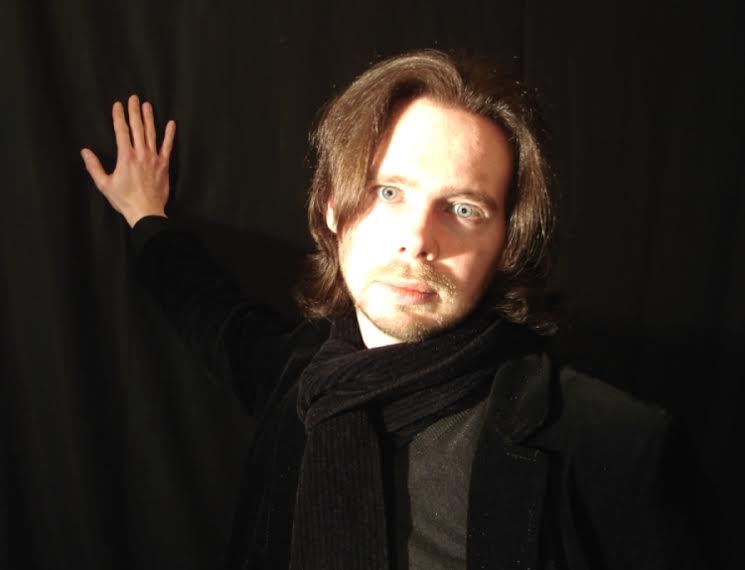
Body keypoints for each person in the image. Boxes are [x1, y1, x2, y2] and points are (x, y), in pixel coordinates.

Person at [81, 50, 703, 570]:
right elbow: (206, 309)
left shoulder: (612, 447)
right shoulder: (294, 375)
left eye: (464, 208)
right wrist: (145, 215)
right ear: (333, 207)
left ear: (506, 246)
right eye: (388, 191)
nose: (418, 240)